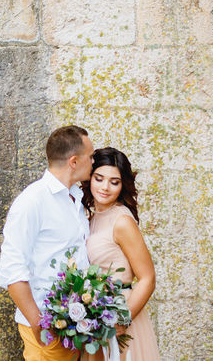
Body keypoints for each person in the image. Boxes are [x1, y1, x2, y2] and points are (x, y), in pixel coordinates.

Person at [0, 125, 95, 361]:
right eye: (90, 157)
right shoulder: (32, 201)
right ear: (73, 161)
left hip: (73, 328)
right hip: (47, 328)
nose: (94, 161)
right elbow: (12, 267)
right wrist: (37, 321)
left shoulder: (76, 199)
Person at [81, 148, 160, 361]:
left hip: (120, 311)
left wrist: (122, 321)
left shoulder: (122, 221)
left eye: (114, 182)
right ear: (89, 178)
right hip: (96, 315)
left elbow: (147, 278)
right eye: (99, 178)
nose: (105, 187)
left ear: (123, 185)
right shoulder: (90, 217)